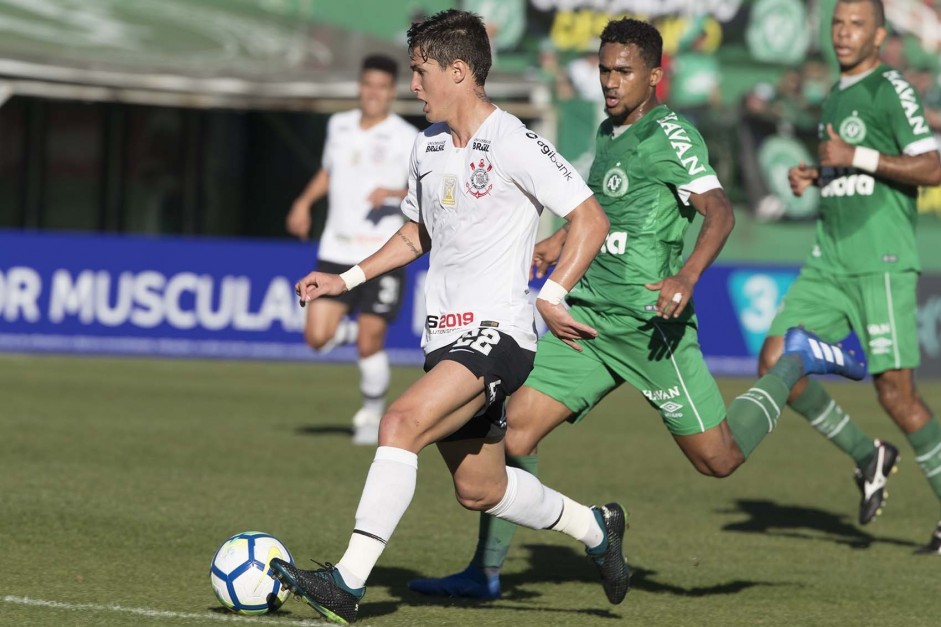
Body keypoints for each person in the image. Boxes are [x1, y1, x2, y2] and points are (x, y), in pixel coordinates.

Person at [408, 17, 868, 600]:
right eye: (604, 69)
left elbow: (719, 209)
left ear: (655, 75)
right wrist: (553, 246)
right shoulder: (607, 132)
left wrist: (686, 274)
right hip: (590, 320)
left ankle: (794, 362)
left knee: (719, 459)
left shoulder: (672, 135)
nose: (610, 81)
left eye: (623, 71)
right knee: (514, 435)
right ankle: (486, 572)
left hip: (653, 330)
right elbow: (605, 214)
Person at [267, 10, 628, 624]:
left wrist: (553, 295)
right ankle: (596, 528)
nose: (413, 85)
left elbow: (590, 220)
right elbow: (414, 237)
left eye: (420, 72)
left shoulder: (515, 140)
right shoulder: (427, 145)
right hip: (446, 337)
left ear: (457, 72)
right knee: (480, 490)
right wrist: (344, 278)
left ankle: (347, 583)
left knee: (400, 422)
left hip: (499, 334)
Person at [759, 0, 941, 553]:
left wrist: (854, 155)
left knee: (897, 394)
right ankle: (868, 455)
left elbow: (932, 165)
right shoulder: (835, 93)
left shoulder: (892, 88)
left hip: (879, 260)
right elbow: (855, 168)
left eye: (856, 24)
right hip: (827, 261)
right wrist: (817, 173)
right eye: (838, 23)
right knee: (775, 361)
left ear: (880, 34)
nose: (843, 33)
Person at [285, 54, 419, 445]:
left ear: (391, 91)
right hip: (335, 249)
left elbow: (425, 189)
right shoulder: (338, 125)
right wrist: (303, 202)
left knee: (370, 341)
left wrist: (392, 192)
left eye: (381, 87)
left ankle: (370, 415)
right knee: (316, 339)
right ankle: (352, 335)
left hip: (381, 255)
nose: (373, 93)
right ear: (360, 86)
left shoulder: (407, 137)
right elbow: (329, 172)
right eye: (367, 85)